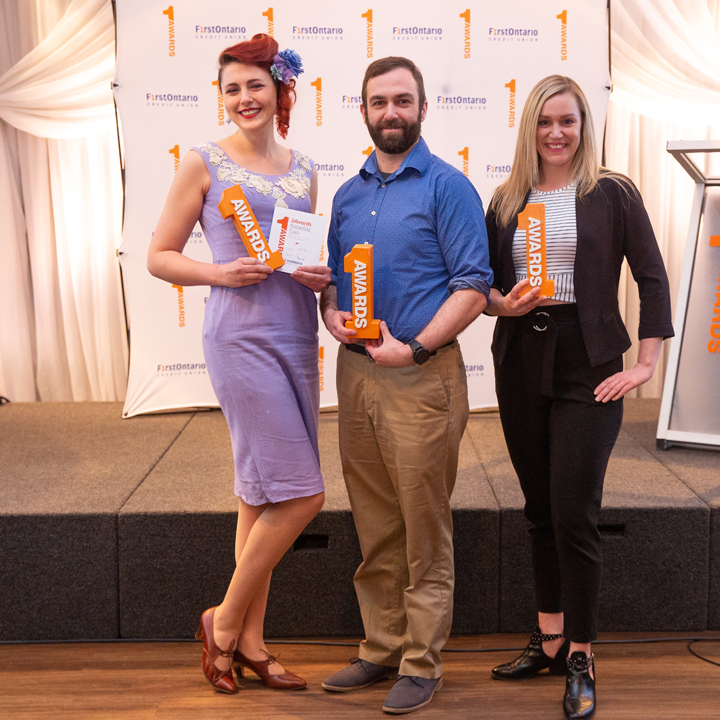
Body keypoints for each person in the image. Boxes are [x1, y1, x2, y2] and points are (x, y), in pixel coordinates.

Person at [483, 75, 673, 720]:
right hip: (519, 357)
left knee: (575, 511)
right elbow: (480, 285)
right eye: (545, 122)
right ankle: (550, 635)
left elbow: (651, 276)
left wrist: (647, 362)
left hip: (588, 360)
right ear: (528, 129)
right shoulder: (506, 199)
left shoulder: (612, 193)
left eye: (568, 121)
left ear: (583, 126)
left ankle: (584, 653)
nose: (557, 133)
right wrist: (496, 302)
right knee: (539, 507)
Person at [146, 34, 328, 695]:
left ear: (280, 90)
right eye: (231, 87)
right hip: (240, 339)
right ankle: (221, 626)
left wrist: (319, 279)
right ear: (220, 96)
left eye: (255, 85)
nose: (244, 98)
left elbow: (301, 251)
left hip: (296, 336)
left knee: (261, 495)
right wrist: (219, 271)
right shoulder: (202, 161)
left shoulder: (307, 168)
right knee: (305, 493)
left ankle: (250, 645)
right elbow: (159, 254)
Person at [318, 56, 492, 714]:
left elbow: (472, 287)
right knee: (374, 518)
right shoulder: (347, 194)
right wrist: (329, 310)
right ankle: (380, 644)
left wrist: (416, 346)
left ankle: (422, 661)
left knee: (423, 524)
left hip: (421, 374)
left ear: (423, 109)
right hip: (357, 373)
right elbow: (334, 278)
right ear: (362, 111)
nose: (391, 112)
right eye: (379, 102)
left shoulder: (448, 187)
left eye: (403, 100)